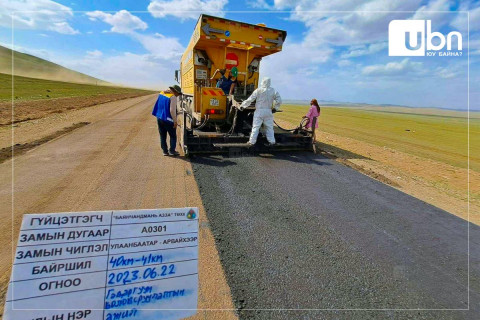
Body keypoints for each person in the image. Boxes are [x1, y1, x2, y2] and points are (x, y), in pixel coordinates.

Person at [239, 77, 281, 146]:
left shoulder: (258, 90)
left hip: (259, 112)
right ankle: (272, 142)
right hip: (268, 111)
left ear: (262, 82)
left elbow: (250, 99)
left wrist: (243, 106)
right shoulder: (273, 91)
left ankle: (251, 142)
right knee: (269, 127)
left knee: (256, 127)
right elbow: (279, 100)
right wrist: (275, 108)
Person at [152, 85, 182, 156]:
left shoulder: (162, 93)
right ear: (175, 91)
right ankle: (172, 151)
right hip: (168, 119)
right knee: (173, 136)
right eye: (178, 94)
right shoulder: (173, 97)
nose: (178, 96)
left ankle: (165, 151)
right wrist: (175, 121)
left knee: (162, 135)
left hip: (159, 118)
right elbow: (172, 111)